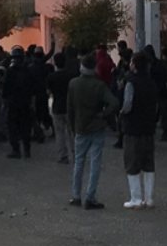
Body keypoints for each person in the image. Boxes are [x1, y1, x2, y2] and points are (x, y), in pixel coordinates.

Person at [66, 55, 118, 210]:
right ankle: (90, 197)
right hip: (97, 126)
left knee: (79, 162)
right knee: (95, 163)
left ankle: (76, 195)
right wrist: (103, 114)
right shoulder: (99, 85)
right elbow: (115, 103)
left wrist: (73, 127)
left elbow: (70, 109)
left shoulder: (73, 84)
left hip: (81, 127)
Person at [120, 54, 158, 209]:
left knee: (132, 161)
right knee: (148, 163)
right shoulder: (151, 83)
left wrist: (122, 112)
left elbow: (128, 104)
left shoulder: (131, 83)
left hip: (133, 127)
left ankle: (135, 197)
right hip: (149, 126)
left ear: (134, 65)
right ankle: (149, 198)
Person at [2, 47, 35, 160]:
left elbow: (6, 88)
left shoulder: (10, 71)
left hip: (13, 103)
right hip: (25, 103)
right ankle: (27, 149)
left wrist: (4, 100)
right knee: (25, 127)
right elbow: (32, 89)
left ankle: (16, 150)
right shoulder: (28, 71)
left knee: (12, 127)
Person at [47, 52, 75, 164]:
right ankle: (76, 153)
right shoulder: (71, 76)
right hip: (70, 107)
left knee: (60, 133)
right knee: (72, 132)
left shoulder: (51, 77)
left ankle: (63, 156)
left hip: (57, 107)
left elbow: (49, 92)